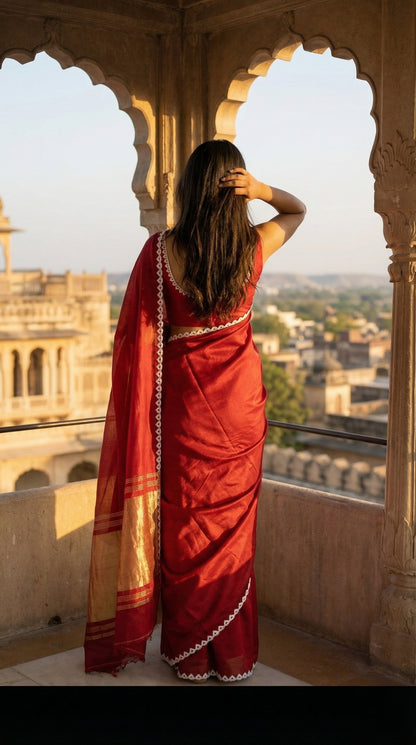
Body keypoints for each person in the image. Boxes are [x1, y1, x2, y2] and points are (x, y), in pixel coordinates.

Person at [84, 139, 306, 682]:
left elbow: (134, 340)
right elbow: (298, 210)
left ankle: (188, 653)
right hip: (240, 410)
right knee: (232, 531)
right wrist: (263, 190)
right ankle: (228, 653)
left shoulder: (161, 251)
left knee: (186, 524)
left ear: (187, 189)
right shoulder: (253, 247)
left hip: (185, 408)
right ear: (236, 190)